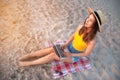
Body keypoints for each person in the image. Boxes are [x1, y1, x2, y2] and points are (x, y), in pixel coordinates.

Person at [19, 7, 106, 67]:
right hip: (69, 46)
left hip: (74, 56)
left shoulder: (92, 40)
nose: (87, 20)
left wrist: (70, 54)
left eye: (90, 20)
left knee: (52, 56)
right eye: (88, 18)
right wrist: (66, 44)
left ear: (94, 25)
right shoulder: (81, 27)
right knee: (51, 49)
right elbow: (73, 36)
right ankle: (29, 56)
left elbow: (86, 54)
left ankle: (30, 63)